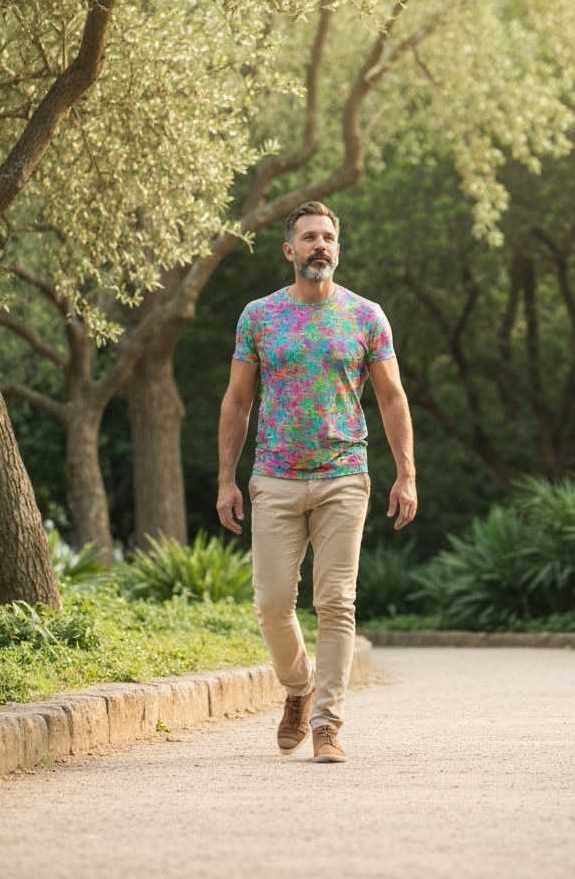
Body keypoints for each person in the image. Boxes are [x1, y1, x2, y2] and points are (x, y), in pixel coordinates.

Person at [216, 200, 417, 763]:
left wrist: (406, 473)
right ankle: (299, 690)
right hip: (274, 478)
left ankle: (328, 724)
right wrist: (226, 480)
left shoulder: (365, 316)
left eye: (328, 237)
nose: (319, 246)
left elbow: (391, 396)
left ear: (338, 247)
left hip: (343, 477)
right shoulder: (259, 316)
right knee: (273, 603)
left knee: (337, 603)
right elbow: (237, 400)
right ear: (289, 250)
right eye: (309, 238)